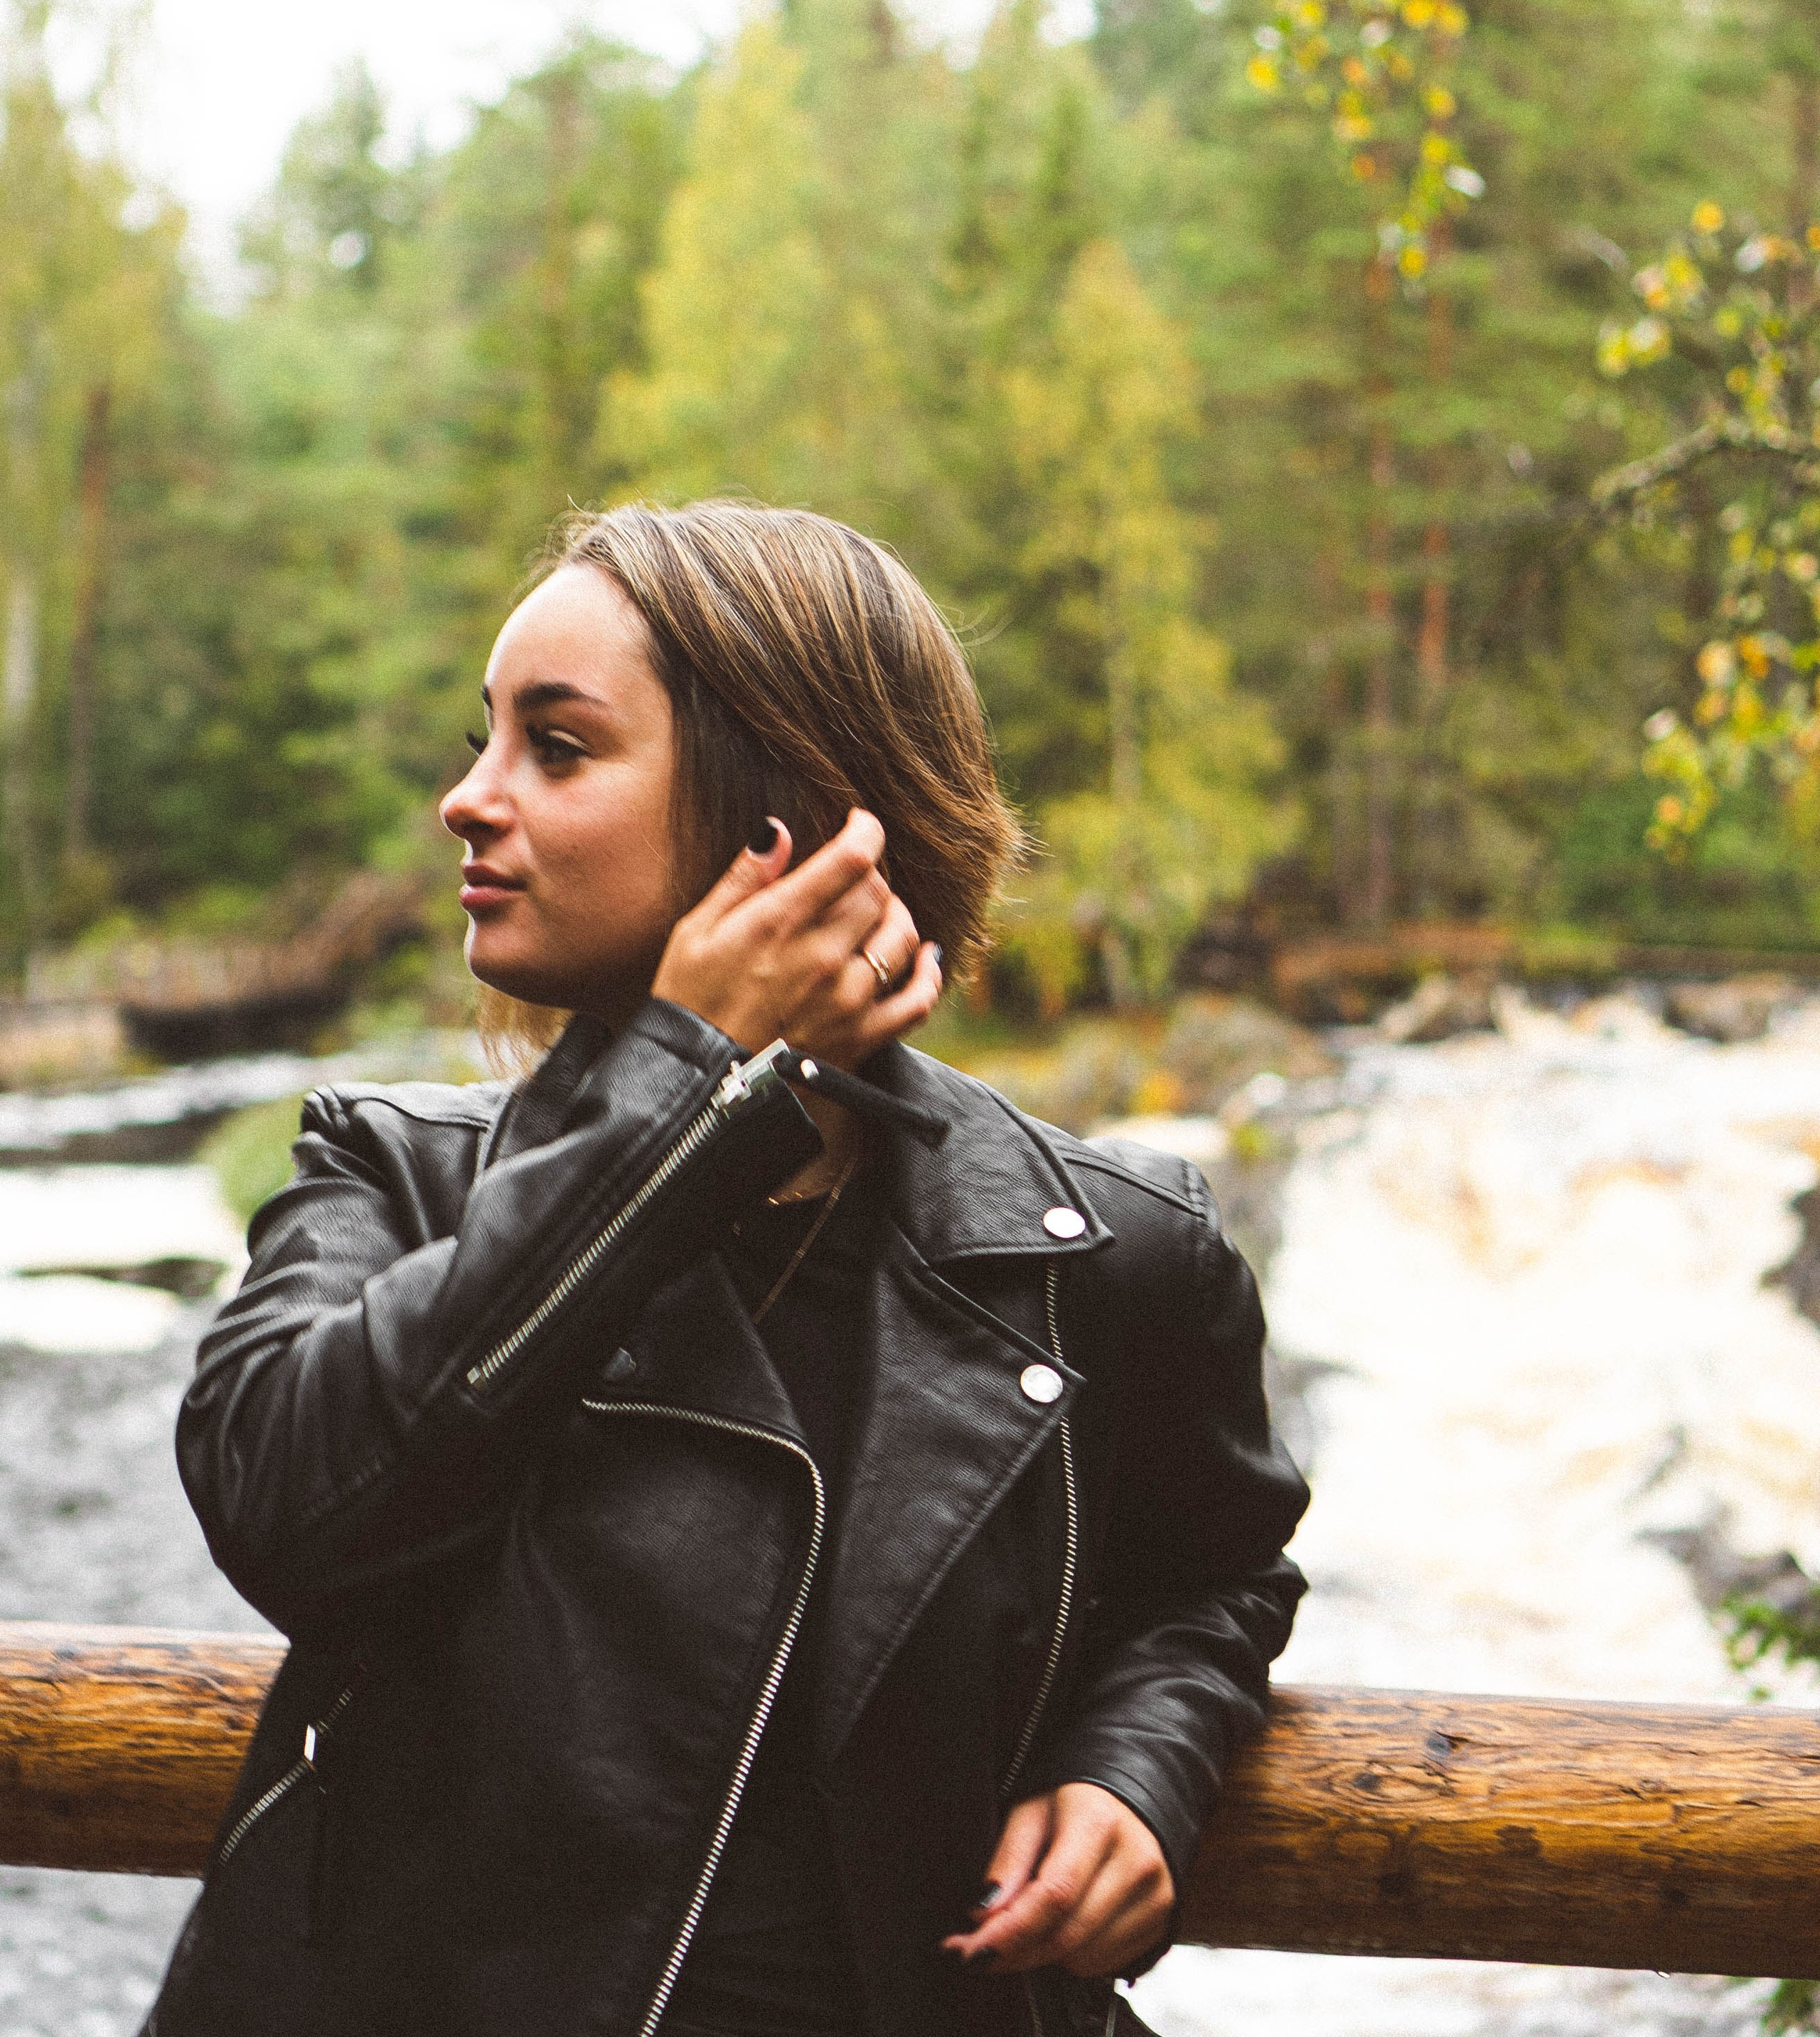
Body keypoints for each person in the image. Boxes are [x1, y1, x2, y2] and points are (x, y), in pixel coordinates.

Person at [144, 500, 1308, 2037]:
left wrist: (1139, 1768)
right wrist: (683, 1081)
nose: (464, 801)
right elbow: (290, 1508)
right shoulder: (391, 1171)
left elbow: (1210, 1578)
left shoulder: (1108, 1254)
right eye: (483, 739)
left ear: (777, 822)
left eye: (555, 747)